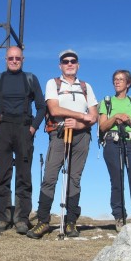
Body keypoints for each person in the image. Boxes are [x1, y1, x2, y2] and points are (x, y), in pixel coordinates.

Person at [27, 49, 98, 239]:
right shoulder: (53, 83)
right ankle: (43, 221)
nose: (69, 63)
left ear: (78, 64)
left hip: (81, 135)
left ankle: (71, 222)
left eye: (73, 61)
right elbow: (54, 108)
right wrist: (81, 116)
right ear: (60, 65)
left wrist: (79, 123)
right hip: (59, 132)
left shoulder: (85, 87)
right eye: (65, 61)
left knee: (74, 178)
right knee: (50, 175)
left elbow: (95, 116)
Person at [0, 46, 46, 234]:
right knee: (3, 175)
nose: (14, 61)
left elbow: (41, 107)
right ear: (5, 59)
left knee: (24, 176)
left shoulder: (30, 79)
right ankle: (3, 218)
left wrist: (33, 128)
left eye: (17, 58)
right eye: (10, 58)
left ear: (23, 59)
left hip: (23, 130)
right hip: (3, 130)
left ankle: (21, 219)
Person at [98, 70, 131, 232]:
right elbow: (102, 126)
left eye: (121, 79)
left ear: (128, 83)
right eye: (115, 79)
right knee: (117, 181)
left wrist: (128, 121)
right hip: (112, 143)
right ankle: (119, 217)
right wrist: (115, 117)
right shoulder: (106, 102)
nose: (117, 82)